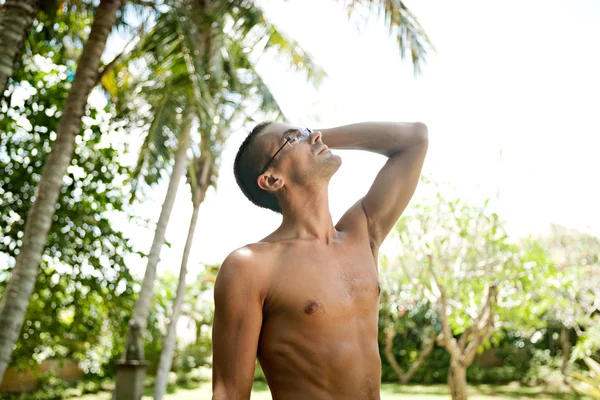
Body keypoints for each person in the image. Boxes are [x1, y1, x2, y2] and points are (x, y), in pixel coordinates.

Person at [212, 121, 429, 400]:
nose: (312, 136)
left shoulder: (361, 234)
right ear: (272, 179)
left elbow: (415, 138)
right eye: (291, 138)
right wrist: (308, 142)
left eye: (306, 130)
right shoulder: (250, 265)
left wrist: (313, 138)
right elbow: (229, 392)